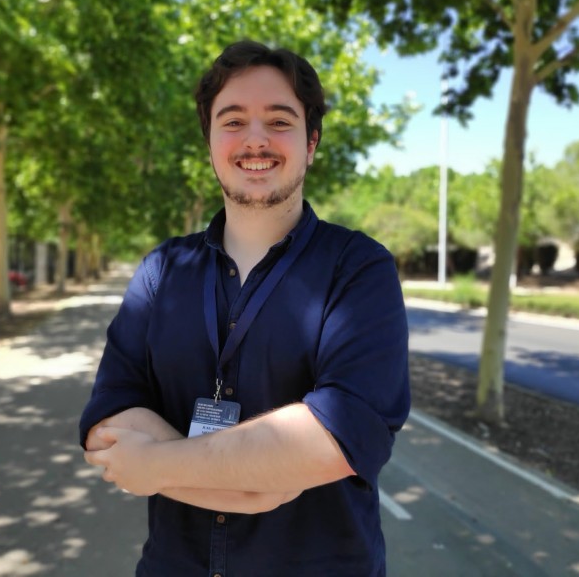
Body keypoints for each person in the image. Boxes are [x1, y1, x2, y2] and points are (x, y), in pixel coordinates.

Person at [80, 40, 410, 576]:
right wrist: (250, 484)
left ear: (312, 142)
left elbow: (341, 435)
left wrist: (155, 465)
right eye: (233, 121)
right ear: (209, 142)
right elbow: (107, 419)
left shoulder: (358, 268)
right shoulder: (162, 271)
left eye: (279, 121)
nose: (255, 139)